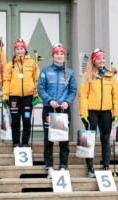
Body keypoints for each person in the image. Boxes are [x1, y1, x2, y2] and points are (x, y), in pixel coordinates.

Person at [38, 43, 77, 178]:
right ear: (53, 55)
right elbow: (41, 89)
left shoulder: (70, 72)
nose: (59, 56)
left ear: (64, 55)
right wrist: (49, 100)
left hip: (63, 110)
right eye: (57, 53)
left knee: (63, 140)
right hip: (49, 108)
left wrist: (67, 102)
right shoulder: (45, 71)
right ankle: (49, 166)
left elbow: (73, 90)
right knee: (48, 138)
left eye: (61, 53)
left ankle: (63, 166)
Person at [79, 49, 118, 178]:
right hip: (91, 112)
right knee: (89, 139)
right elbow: (83, 96)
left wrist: (116, 112)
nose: (102, 61)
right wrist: (83, 113)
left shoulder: (110, 76)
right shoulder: (87, 76)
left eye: (103, 58)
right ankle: (90, 167)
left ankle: (106, 165)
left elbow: (116, 96)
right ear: (94, 61)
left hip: (106, 112)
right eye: (99, 59)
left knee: (105, 139)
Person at [2, 39, 40, 147]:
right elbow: (6, 81)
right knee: (15, 121)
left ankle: (25, 143)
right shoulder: (10, 65)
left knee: (26, 121)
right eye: (17, 49)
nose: (19, 51)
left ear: (25, 50)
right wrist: (5, 97)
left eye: (21, 48)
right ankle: (16, 142)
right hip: (14, 97)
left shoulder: (33, 64)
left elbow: (37, 80)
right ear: (14, 51)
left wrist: (36, 95)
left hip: (28, 97)